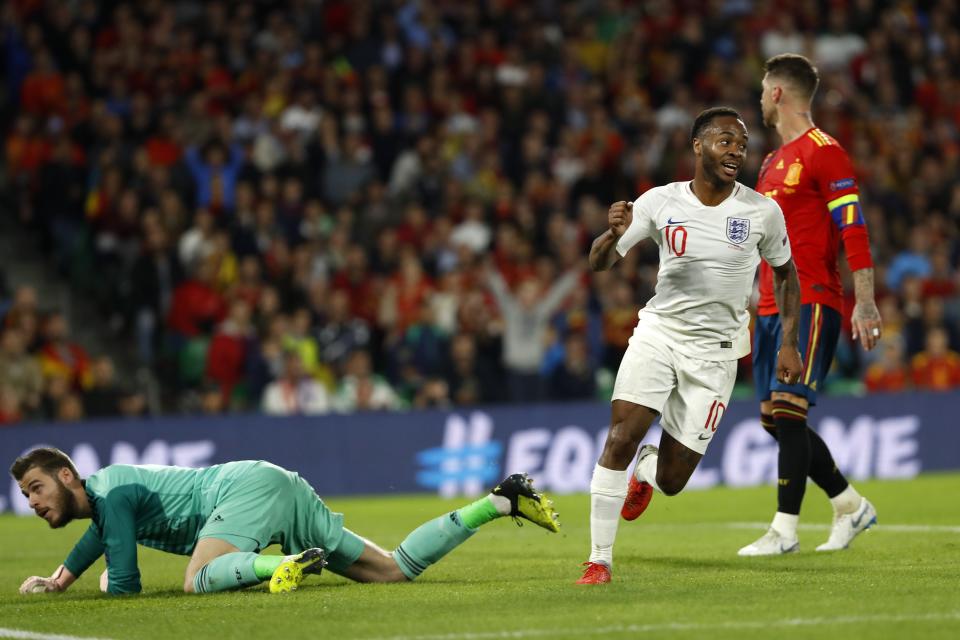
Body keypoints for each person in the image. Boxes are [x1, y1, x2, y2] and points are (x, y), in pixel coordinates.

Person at [577, 107, 802, 584]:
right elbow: (599, 263)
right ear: (698, 146)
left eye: (742, 145)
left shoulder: (762, 212)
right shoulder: (660, 201)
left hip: (718, 353)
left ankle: (648, 470)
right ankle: (599, 560)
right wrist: (610, 233)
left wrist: (787, 342)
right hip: (659, 334)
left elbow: (785, 275)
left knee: (673, 482)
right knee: (619, 437)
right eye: (726, 141)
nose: (736, 151)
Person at [13, 447, 559, 596]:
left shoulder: (115, 494)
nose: (32, 501)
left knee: (199, 578)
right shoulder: (107, 496)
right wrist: (61, 579)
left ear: (67, 476)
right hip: (275, 483)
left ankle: (286, 564)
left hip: (245, 489)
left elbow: (125, 583)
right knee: (392, 571)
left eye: (36, 488)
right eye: (24, 494)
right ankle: (500, 502)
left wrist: (108, 581)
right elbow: (97, 537)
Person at [738, 54, 882, 557]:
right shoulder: (771, 162)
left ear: (777, 93)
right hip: (770, 309)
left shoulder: (826, 153)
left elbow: (854, 227)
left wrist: (864, 301)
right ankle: (849, 504)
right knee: (773, 418)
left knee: (789, 409)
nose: (759, 99)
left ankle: (784, 529)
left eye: (762, 90)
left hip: (814, 299)